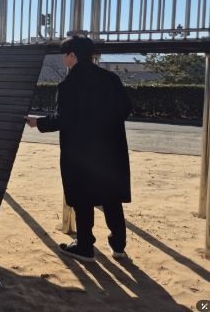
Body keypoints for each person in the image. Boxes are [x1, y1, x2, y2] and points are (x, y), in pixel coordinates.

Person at [25, 35, 132, 262]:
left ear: (72, 55)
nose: (63, 59)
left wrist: (38, 122)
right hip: (110, 149)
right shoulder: (111, 78)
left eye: (64, 55)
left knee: (83, 197)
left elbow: (64, 119)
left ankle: (85, 246)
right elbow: (125, 109)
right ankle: (119, 246)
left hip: (80, 151)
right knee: (111, 196)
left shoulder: (69, 84)